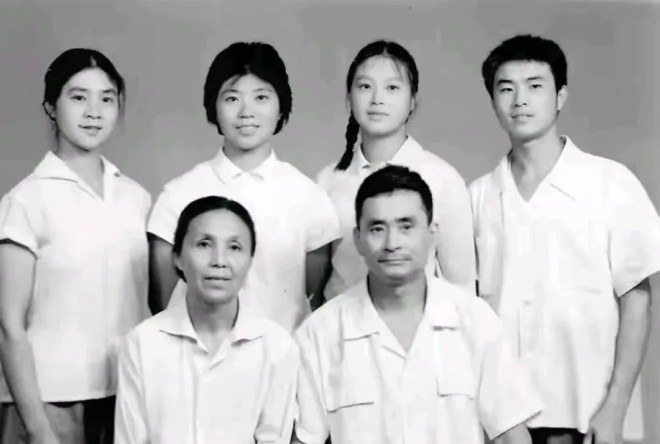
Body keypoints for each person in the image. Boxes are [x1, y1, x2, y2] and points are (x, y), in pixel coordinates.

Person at [471, 34, 660, 444]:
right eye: (506, 89)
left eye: (535, 86)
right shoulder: (477, 197)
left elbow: (637, 298)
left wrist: (616, 406)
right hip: (503, 423)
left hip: (589, 416)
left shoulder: (611, 183)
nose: (520, 100)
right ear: (493, 102)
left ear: (560, 96)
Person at [295, 165, 541, 444]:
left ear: (432, 233)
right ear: (358, 239)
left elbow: (510, 434)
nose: (392, 243)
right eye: (377, 228)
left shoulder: (476, 320)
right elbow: (305, 439)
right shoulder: (319, 333)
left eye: (406, 226)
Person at [0, 48, 150, 444]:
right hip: (48, 400)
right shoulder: (26, 202)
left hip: (126, 395)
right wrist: (38, 428)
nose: (94, 112)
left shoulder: (136, 198)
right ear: (51, 107)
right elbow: (8, 327)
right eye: (78, 97)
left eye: (107, 99)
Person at [148, 41, 339, 332]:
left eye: (261, 97)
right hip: (196, 356)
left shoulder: (309, 196)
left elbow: (312, 294)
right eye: (232, 98)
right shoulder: (179, 194)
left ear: (281, 107)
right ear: (213, 107)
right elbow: (162, 302)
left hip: (283, 355)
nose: (246, 112)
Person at [115, 196, 298, 443]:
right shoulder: (142, 343)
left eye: (234, 247)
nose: (219, 261)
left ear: (250, 261)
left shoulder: (276, 346)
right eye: (203, 244)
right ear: (177, 257)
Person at [316, 40, 475, 302]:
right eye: (365, 87)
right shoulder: (328, 181)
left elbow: (462, 288)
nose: (377, 99)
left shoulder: (442, 180)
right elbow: (316, 284)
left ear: (412, 101)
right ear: (349, 99)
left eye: (392, 88)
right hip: (340, 325)